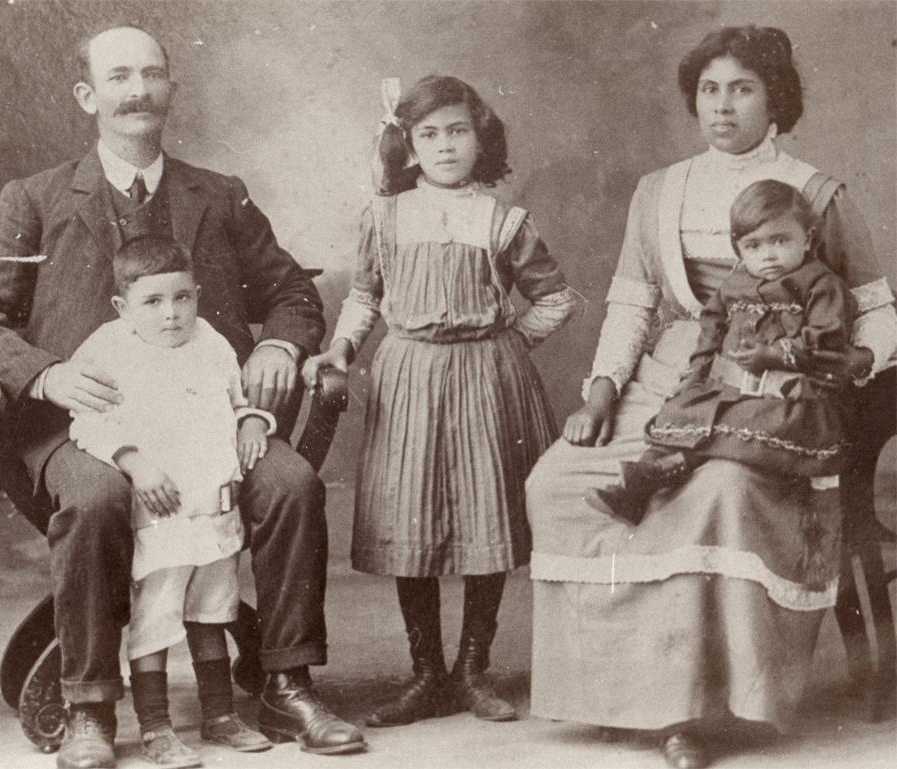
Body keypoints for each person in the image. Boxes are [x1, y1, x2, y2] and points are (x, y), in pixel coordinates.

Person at [0, 24, 365, 769]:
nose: (137, 91)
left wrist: (276, 342)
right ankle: (91, 707)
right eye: (118, 77)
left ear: (171, 87)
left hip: (209, 427)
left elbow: (294, 292)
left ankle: (288, 682)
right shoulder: (34, 199)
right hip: (88, 429)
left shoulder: (218, 195)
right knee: (100, 495)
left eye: (151, 75)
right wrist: (43, 372)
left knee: (291, 482)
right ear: (87, 95)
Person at [526, 25, 897, 769]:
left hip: (775, 391)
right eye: (709, 90)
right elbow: (632, 305)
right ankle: (618, 695)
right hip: (676, 375)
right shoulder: (660, 190)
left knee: (716, 488)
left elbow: (879, 308)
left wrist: (852, 363)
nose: (722, 106)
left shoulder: (819, 193)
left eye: (742, 88)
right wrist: (601, 389)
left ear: (776, 99)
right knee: (558, 479)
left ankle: (693, 708)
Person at [304, 75, 579, 727]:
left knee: (488, 515)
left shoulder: (505, 219)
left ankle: (472, 669)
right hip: (408, 376)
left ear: (481, 137)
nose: (445, 145)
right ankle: (425, 673)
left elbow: (557, 298)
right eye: (429, 134)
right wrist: (341, 349)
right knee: (412, 518)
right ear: (408, 144)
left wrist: (505, 344)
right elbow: (365, 297)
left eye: (458, 130)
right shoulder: (385, 215)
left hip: (489, 378)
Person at [69, 235, 277, 767]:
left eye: (183, 298)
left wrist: (252, 419)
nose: (171, 315)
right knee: (156, 618)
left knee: (213, 612)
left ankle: (220, 715)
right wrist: (134, 461)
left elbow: (235, 401)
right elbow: (87, 421)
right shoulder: (107, 348)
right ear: (122, 307)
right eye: (153, 302)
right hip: (161, 518)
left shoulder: (210, 342)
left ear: (198, 295)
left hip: (214, 511)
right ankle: (157, 728)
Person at [595, 180, 854, 540]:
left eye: (781, 241)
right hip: (732, 387)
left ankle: (666, 470)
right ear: (739, 249)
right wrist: (695, 375)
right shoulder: (734, 285)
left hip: (790, 395)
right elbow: (710, 331)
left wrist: (772, 355)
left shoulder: (820, 285)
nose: (768, 255)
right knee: (682, 409)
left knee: (752, 419)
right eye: (754, 245)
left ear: (807, 239)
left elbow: (828, 341)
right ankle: (640, 482)